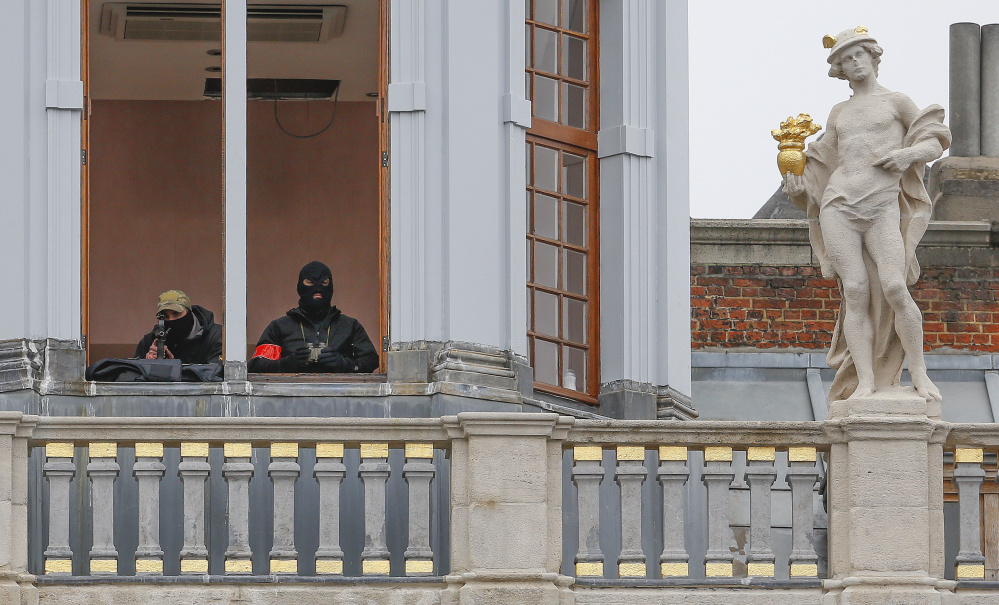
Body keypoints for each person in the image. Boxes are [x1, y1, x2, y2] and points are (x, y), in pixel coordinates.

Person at [782, 26, 951, 404]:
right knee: (854, 291)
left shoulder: (896, 101)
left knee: (894, 286)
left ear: (874, 57)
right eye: (845, 59)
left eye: (858, 54)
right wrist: (798, 182)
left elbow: (935, 137)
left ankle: (919, 372)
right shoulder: (838, 111)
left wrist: (907, 156)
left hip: (881, 203)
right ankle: (866, 381)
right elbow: (822, 157)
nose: (853, 62)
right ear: (839, 69)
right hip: (839, 203)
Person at [248, 261, 379, 373]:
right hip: (291, 399)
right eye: (310, 283)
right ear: (300, 287)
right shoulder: (280, 327)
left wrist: (344, 364)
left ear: (331, 287)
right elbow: (257, 365)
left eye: (324, 283)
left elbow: (371, 360)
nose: (317, 289)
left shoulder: (349, 326)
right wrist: (288, 363)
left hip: (339, 399)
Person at [134, 290, 223, 364]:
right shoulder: (150, 341)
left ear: (189, 312)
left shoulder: (216, 337)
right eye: (165, 316)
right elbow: (134, 378)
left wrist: (174, 368)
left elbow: (214, 374)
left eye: (176, 314)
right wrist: (147, 364)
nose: (171, 320)